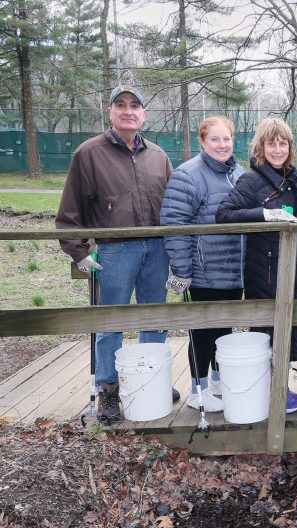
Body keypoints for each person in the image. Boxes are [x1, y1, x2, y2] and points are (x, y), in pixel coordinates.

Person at [56, 85, 175, 422]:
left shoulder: (158, 156)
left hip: (157, 249)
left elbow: (174, 208)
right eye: (120, 105)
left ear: (143, 114)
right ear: (110, 112)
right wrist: (78, 253)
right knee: (111, 323)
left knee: (155, 318)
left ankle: (152, 378)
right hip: (115, 250)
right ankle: (107, 390)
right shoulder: (88, 154)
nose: (128, 111)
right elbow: (69, 212)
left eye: (135, 105)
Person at [216, 118, 297, 414]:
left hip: (296, 267)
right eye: (271, 143)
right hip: (265, 270)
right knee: (268, 330)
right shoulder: (252, 180)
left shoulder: (296, 178)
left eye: (282, 143)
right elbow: (224, 214)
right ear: (261, 147)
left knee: (291, 327)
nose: (277, 149)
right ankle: (271, 393)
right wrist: (264, 214)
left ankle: (280, 388)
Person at [160, 116, 244, 414]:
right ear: (202, 141)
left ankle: (218, 382)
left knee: (224, 329)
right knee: (202, 333)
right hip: (203, 272)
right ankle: (198, 389)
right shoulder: (188, 175)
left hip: (234, 270)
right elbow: (174, 224)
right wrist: (182, 270)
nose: (222, 145)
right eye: (215, 140)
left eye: (227, 139)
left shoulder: (238, 173)